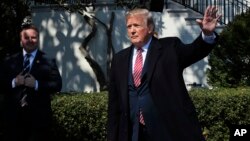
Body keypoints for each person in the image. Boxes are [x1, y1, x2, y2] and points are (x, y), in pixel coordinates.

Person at [107, 6, 221, 141]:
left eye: (136, 25)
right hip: (133, 132)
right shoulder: (120, 59)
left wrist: (206, 35)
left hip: (167, 130)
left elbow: (194, 51)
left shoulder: (169, 48)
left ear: (149, 28)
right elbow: (114, 104)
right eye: (129, 26)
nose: (132, 30)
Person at [0, 24, 62, 141]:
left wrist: (37, 84)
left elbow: (57, 85)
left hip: (39, 122)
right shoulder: (9, 60)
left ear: (38, 39)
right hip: (13, 121)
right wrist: (14, 82)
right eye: (26, 38)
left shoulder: (48, 60)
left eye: (33, 38)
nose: (30, 40)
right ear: (21, 40)